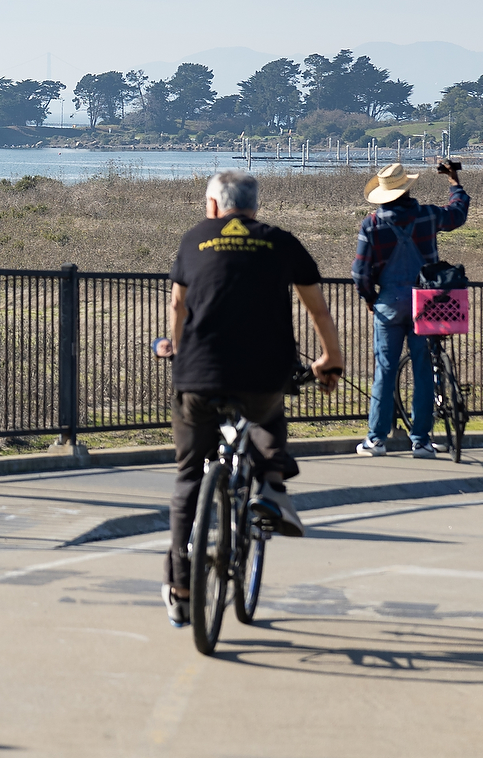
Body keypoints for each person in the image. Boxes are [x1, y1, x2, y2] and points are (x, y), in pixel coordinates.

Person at [155, 170, 343, 628]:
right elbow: (317, 308)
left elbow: (178, 307)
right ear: (254, 206)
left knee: (187, 478)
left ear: (215, 206)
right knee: (266, 412)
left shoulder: (193, 239)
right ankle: (273, 488)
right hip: (263, 374)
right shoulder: (281, 242)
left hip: (197, 377)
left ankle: (181, 586)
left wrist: (173, 346)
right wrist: (330, 361)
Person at [351, 159, 471, 458]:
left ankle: (376, 440)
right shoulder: (427, 215)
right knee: (422, 371)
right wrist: (454, 182)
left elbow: (360, 273)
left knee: (385, 371)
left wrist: (369, 298)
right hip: (426, 304)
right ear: (407, 189)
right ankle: (422, 441)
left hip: (388, 304)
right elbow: (457, 213)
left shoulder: (372, 224)